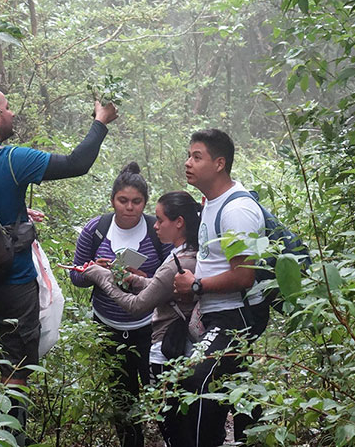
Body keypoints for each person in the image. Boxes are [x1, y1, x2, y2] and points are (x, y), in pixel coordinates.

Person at [0, 87, 117, 445]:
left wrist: (17, 212)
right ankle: (12, 439)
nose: (12, 114)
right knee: (16, 371)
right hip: (13, 286)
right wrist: (100, 121)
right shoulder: (12, 159)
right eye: (8, 108)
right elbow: (77, 163)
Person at [79, 191, 202, 446]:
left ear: (178, 222)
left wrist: (103, 278)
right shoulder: (187, 253)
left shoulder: (179, 261)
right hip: (171, 344)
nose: (154, 225)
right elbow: (158, 285)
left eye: (159, 220)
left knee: (171, 424)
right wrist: (131, 279)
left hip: (166, 345)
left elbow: (137, 306)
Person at [173, 128, 270, 446]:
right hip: (219, 316)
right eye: (188, 155)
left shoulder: (235, 210)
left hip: (235, 317)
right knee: (233, 390)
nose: (188, 162)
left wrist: (196, 285)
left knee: (196, 384)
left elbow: (244, 276)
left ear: (219, 163)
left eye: (196, 156)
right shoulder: (213, 203)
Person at [70, 162, 171, 447]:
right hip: (107, 326)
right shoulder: (96, 230)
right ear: (113, 200)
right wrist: (95, 271)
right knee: (121, 395)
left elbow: (174, 274)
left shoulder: (156, 230)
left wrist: (144, 278)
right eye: (123, 200)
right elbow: (75, 277)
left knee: (159, 388)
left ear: (145, 203)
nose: (129, 207)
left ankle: (170, 438)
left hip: (150, 326)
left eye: (136, 202)